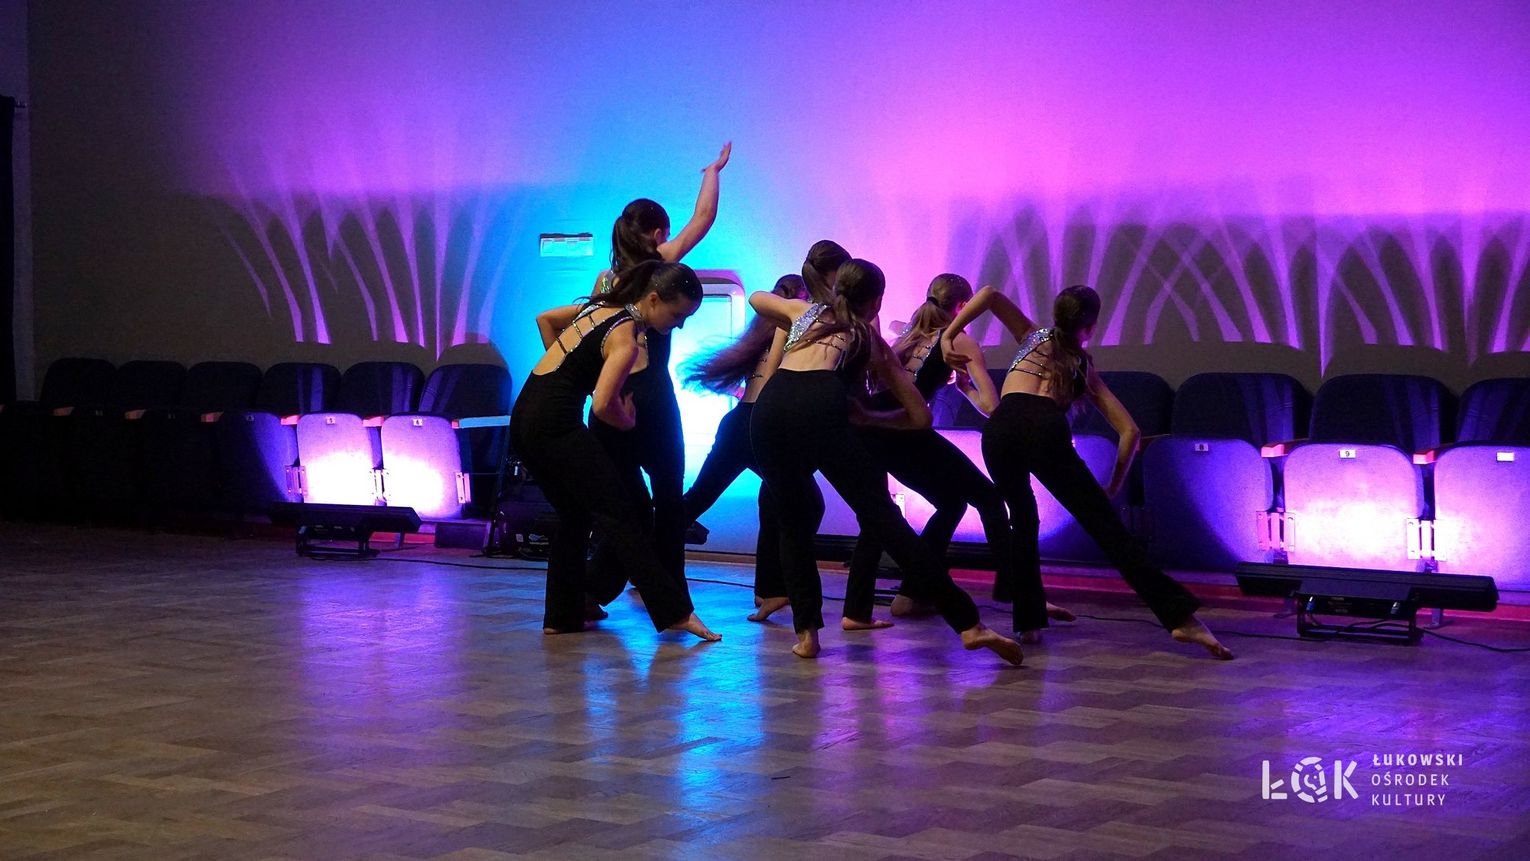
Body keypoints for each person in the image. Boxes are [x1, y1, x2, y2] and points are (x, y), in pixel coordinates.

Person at [748, 258, 1023, 664]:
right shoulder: (869, 339)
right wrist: (869, 418)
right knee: (885, 522)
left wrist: (810, 305)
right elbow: (920, 416)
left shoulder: (803, 314)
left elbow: (756, 298)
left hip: (769, 411)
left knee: (792, 523)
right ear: (876, 302)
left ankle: (807, 635)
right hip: (821, 406)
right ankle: (968, 624)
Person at [942, 284, 1233, 658]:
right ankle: (1181, 619)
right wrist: (1112, 485)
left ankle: (1028, 623)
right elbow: (1130, 432)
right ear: (1091, 327)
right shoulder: (1082, 367)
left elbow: (989, 294)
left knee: (1024, 520)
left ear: (1056, 314)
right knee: (1108, 531)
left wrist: (949, 335)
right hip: (1043, 428)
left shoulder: (1031, 336)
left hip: (999, 428)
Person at [841, 273, 1075, 630]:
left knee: (934, 507)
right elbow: (993, 406)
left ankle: (903, 597)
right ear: (964, 306)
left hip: (873, 433)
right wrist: (968, 390)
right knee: (989, 498)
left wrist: (957, 385)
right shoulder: (960, 341)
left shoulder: (907, 334)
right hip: (905, 432)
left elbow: (894, 344)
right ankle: (1021, 595)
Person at [512, 260, 719, 641]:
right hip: (555, 425)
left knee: (575, 516)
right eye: (677, 315)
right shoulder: (626, 336)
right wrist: (626, 420)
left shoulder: (600, 308)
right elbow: (604, 406)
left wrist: (574, 379)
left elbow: (549, 324)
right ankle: (675, 612)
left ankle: (561, 617)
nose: (679, 325)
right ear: (653, 299)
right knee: (621, 513)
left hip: (525, 417)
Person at [585, 143, 732, 599]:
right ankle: (671, 595)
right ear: (657, 232)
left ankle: (594, 591)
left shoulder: (605, 281)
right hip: (652, 395)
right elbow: (703, 217)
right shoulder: (661, 266)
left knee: (622, 504)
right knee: (668, 500)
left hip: (611, 390)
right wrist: (712, 171)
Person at [681, 274, 806, 620]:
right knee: (796, 502)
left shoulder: (760, 333)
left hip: (738, 423)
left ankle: (770, 591)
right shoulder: (786, 329)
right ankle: (772, 589)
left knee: (703, 499)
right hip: (756, 425)